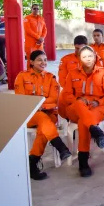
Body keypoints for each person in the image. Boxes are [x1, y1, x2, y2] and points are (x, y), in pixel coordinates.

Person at [15, 50, 71, 180]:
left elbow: (53, 99)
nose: (44, 62)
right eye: (40, 60)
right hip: (28, 115)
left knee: (44, 128)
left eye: (45, 60)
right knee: (42, 118)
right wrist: (38, 106)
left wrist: (41, 105)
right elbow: (21, 100)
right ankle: (60, 146)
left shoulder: (51, 77)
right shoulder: (22, 76)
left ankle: (32, 163)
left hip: (49, 113)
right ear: (31, 62)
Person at [60, 46, 104, 177]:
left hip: (97, 107)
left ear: (95, 56)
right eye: (84, 57)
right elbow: (66, 94)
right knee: (80, 106)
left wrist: (99, 102)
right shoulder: (72, 73)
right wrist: (79, 101)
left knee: (84, 122)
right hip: (75, 107)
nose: (87, 59)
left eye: (90, 56)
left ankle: (83, 162)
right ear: (79, 58)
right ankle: (96, 131)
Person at [58, 35, 88, 119]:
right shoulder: (66, 59)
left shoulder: (93, 59)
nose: (79, 51)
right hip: (70, 92)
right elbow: (62, 80)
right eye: (77, 48)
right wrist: (73, 94)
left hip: (88, 92)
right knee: (62, 100)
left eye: (81, 49)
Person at [23, 4, 47, 68]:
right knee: (31, 60)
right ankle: (29, 75)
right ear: (31, 9)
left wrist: (42, 38)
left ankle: (39, 74)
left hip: (39, 44)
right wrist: (38, 37)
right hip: (30, 44)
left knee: (40, 59)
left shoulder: (41, 18)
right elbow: (28, 30)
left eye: (37, 9)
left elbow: (45, 30)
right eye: (34, 8)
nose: (36, 10)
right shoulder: (27, 18)